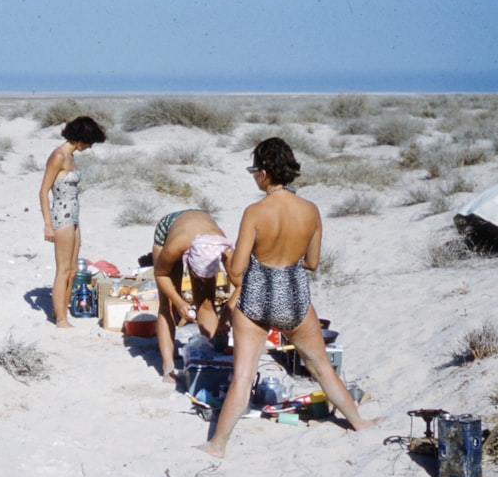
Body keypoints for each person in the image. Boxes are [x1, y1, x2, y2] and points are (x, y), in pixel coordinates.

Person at [198, 137, 378, 458]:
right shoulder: (310, 210)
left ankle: (217, 444)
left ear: (265, 172)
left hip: (256, 299)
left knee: (242, 376)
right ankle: (358, 422)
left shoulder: (255, 211)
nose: (254, 175)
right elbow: (312, 263)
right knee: (322, 368)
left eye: (255, 169)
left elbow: (237, 270)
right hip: (294, 297)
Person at [38, 116, 107, 328]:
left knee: (74, 271)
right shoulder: (58, 156)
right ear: (81, 138)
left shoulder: (71, 156)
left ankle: (61, 309)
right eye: (89, 141)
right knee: (63, 270)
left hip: (74, 216)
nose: (89, 146)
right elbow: (43, 192)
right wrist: (48, 224)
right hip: (62, 215)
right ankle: (60, 318)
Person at [152, 210, 233, 383]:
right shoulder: (176, 245)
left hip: (202, 224)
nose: (202, 280)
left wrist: (224, 318)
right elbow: (160, 274)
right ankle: (168, 367)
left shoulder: (223, 249)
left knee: (207, 303)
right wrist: (179, 301)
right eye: (198, 276)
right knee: (167, 304)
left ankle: (211, 358)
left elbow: (242, 284)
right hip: (170, 227)